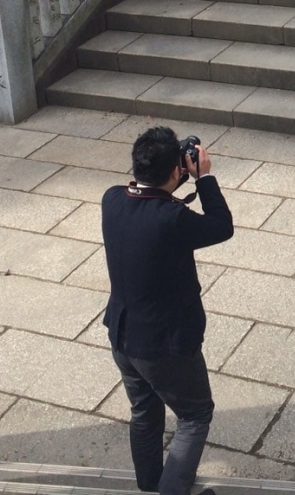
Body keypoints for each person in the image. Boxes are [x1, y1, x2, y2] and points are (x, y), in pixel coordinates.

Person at [102, 127, 233, 495]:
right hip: (165, 348)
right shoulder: (172, 218)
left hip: (123, 338)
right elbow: (221, 226)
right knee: (195, 415)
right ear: (176, 171)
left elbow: (150, 198)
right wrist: (203, 177)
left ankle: (150, 484)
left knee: (144, 411)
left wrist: (176, 177)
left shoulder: (111, 200)